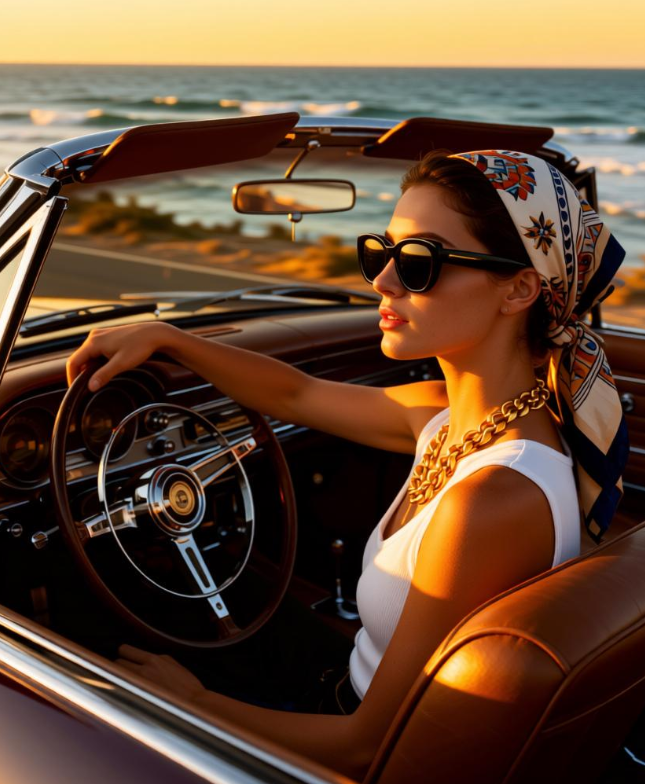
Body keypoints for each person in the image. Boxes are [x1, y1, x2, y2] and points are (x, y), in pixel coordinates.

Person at [66, 148, 628, 779]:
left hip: (339, 742)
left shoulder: (494, 496)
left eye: (419, 262)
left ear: (520, 288)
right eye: (379, 252)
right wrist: (169, 337)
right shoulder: (449, 414)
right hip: (339, 683)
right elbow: (297, 395)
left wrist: (192, 705)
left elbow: (370, 746)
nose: (382, 280)